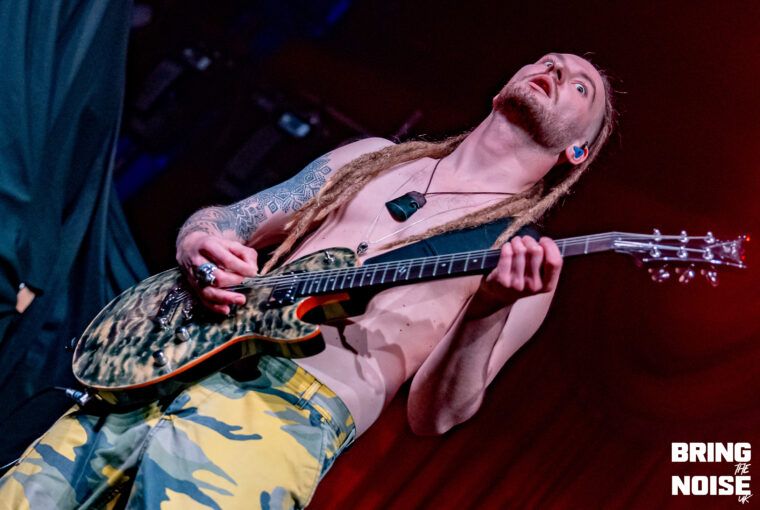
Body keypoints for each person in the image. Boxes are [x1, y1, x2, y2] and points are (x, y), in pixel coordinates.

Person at [0, 52, 615, 509]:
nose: (555, 71)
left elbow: (436, 416)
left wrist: (487, 310)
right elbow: (227, 220)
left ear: (578, 152)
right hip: (166, 363)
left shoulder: (520, 257)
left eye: (579, 85)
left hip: (279, 418)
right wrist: (197, 245)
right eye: (547, 61)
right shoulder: (369, 158)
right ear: (503, 86)